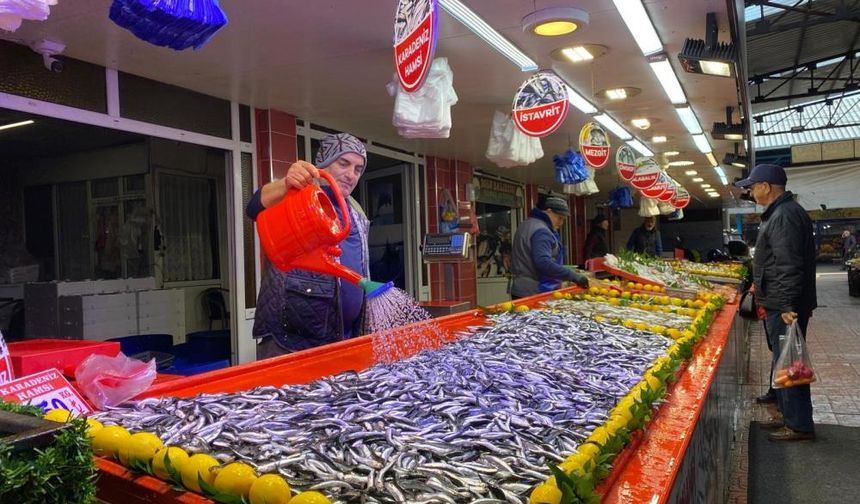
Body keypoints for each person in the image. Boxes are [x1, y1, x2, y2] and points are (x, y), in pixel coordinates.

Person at [246, 133, 370, 359]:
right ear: (323, 163)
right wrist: (285, 183)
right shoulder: (297, 195)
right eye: (344, 163)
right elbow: (254, 207)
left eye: (358, 169)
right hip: (290, 344)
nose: (351, 174)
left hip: (342, 341)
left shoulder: (357, 213)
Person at [735, 163, 816, 442]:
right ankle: (787, 413)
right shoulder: (781, 213)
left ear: (766, 187)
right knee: (784, 358)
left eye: (753, 185)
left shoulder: (783, 216)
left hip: (785, 305)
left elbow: (788, 265)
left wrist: (786, 306)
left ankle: (798, 425)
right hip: (780, 300)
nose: (750, 190)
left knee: (791, 363)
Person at [511, 196, 589, 298]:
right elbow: (543, 263)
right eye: (559, 218)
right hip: (534, 291)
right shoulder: (542, 231)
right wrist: (573, 276)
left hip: (521, 289)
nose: (561, 223)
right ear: (548, 211)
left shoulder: (527, 224)